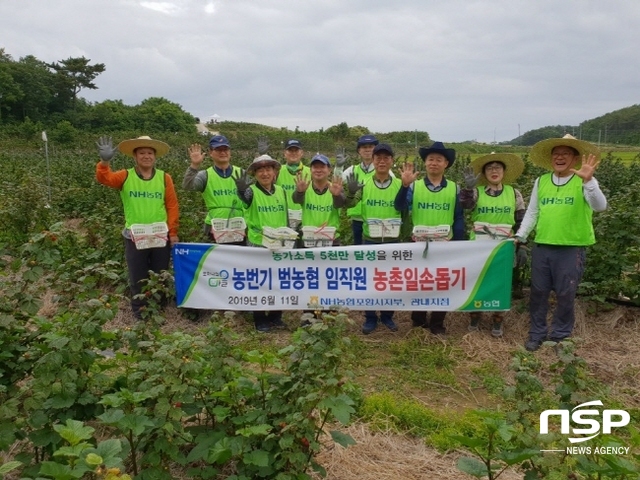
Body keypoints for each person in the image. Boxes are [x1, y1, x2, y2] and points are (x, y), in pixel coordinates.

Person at [515, 134, 606, 352]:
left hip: (570, 247)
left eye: (566, 154)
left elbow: (600, 206)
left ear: (575, 159)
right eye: (556, 154)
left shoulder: (584, 180)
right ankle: (536, 334)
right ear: (550, 158)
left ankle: (559, 336)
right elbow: (533, 211)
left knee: (566, 293)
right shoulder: (542, 181)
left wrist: (589, 181)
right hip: (543, 246)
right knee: (538, 292)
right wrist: (521, 235)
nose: (560, 157)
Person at [95, 136, 179, 319]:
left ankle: (159, 307)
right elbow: (104, 178)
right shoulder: (125, 176)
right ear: (135, 156)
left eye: (150, 153)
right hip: (135, 236)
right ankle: (140, 310)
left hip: (160, 235)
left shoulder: (164, 178)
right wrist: (104, 161)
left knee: (160, 272)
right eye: (142, 153)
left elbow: (172, 206)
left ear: (155, 156)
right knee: (138, 274)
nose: (146, 156)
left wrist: (172, 232)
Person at [395, 141, 464, 336]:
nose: (434, 163)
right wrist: (404, 186)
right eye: (430, 159)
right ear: (425, 163)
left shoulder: (454, 188)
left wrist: (459, 243)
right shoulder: (414, 187)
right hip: (419, 244)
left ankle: (437, 323)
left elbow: (458, 216)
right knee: (420, 282)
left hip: (444, 244)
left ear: (446, 164)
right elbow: (399, 206)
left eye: (438, 160)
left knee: (441, 283)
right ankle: (418, 322)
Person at [460, 153, 526, 337]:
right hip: (479, 246)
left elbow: (521, 220)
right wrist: (467, 188)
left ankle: (498, 319)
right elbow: (465, 205)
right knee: (478, 281)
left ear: (504, 172)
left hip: (504, 246)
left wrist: (522, 244)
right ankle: (475, 315)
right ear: (483, 173)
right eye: (490, 168)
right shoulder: (477, 192)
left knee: (501, 283)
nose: (494, 171)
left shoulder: (514, 193)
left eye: (498, 167)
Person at [345, 143, 404, 334]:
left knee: (390, 279)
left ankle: (387, 316)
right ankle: (370, 317)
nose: (382, 161)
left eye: (386, 158)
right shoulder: (365, 184)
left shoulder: (398, 184)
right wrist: (351, 192)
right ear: (373, 160)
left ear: (392, 161)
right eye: (378, 157)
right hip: (370, 239)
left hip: (392, 241)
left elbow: (406, 208)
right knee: (370, 279)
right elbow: (349, 204)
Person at [235, 154, 289, 333]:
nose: (265, 173)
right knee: (258, 281)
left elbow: (286, 216)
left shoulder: (281, 191)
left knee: (278, 281)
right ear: (255, 174)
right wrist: (241, 191)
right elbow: (245, 197)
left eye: (268, 169)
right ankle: (260, 318)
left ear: (274, 172)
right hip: (258, 244)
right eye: (260, 170)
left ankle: (275, 316)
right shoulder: (251, 191)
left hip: (279, 243)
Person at [182, 135, 245, 244]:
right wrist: (194, 165)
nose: (223, 152)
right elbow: (188, 186)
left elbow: (250, 198)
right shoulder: (205, 175)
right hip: (214, 226)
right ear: (211, 153)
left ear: (230, 152)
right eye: (218, 149)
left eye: (225, 149)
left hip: (239, 225)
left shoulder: (240, 173)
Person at [292, 153, 346, 247]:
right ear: (310, 170)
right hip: (309, 238)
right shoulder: (305, 188)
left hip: (330, 239)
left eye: (322, 167)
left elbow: (340, 204)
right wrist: (300, 192)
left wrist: (336, 195)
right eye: (315, 167)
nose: (318, 170)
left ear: (329, 170)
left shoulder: (335, 188)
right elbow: (296, 200)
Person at [342, 134, 379, 245]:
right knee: (359, 249)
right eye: (364, 147)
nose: (367, 150)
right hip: (357, 219)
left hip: (375, 218)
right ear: (359, 151)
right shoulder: (353, 170)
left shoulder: (382, 170)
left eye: (370, 147)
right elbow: (337, 180)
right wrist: (338, 167)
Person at [276, 139, 310, 233]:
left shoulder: (310, 172)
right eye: (290, 150)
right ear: (284, 153)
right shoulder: (277, 171)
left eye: (296, 150)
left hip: (305, 221)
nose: (293, 153)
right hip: (283, 221)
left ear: (302, 153)